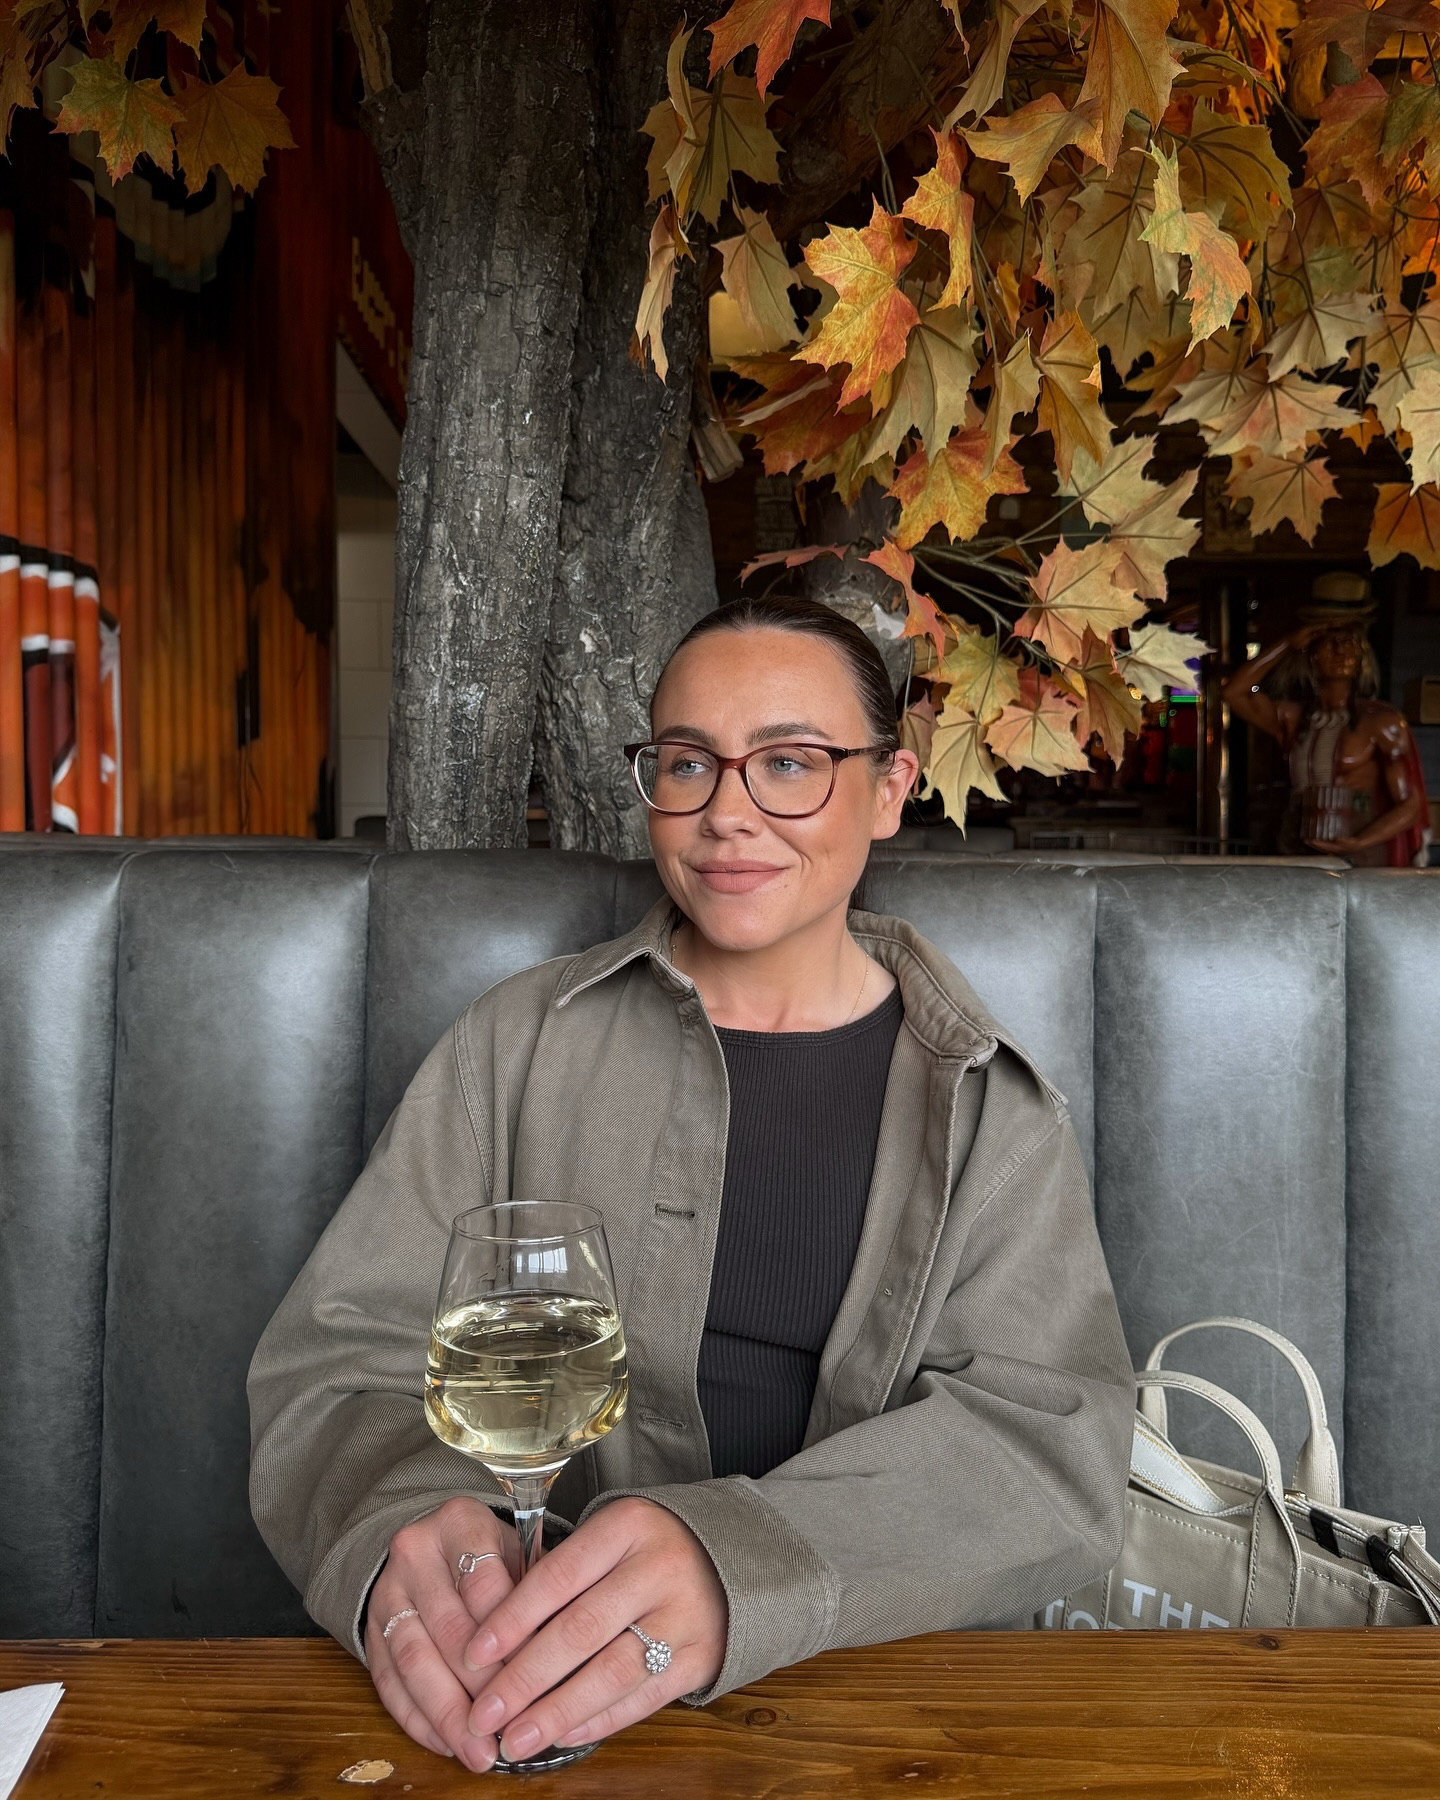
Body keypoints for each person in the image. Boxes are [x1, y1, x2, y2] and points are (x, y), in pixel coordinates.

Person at [248, 595, 1135, 1774]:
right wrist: (400, 1519)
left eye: (789, 764)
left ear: (887, 790)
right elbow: (337, 1358)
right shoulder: (516, 1042)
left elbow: (1050, 1454)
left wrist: (742, 1562)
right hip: (519, 1694)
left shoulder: (991, 1106)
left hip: (884, 1721)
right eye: (687, 764)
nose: (727, 814)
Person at [1221, 575, 1429, 867]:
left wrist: (1361, 841)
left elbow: (1410, 805)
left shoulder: (1381, 721)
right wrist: (1287, 644)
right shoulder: (1292, 719)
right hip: (1298, 841)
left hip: (1359, 844)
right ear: (1312, 654)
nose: (1341, 650)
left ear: (1361, 656)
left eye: (1350, 643)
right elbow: (1234, 691)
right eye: (1330, 642)